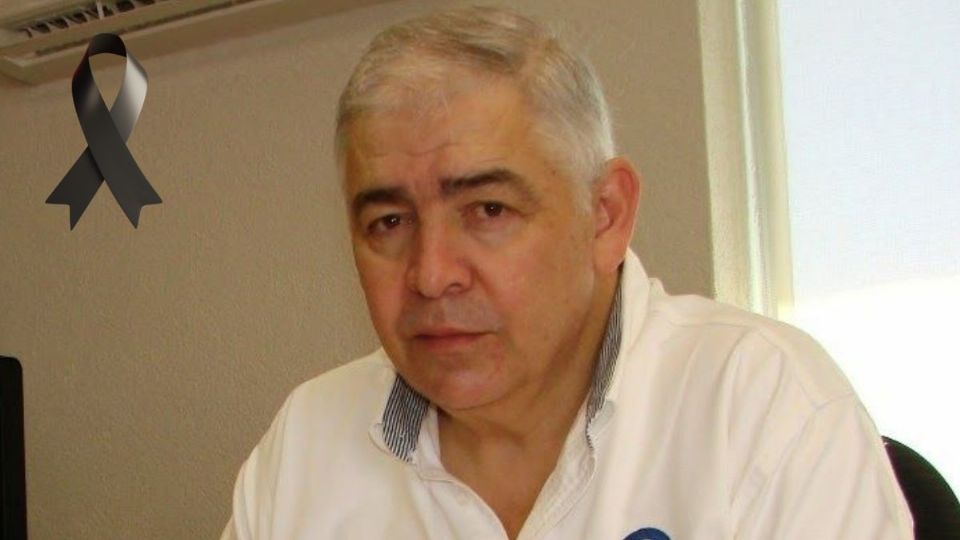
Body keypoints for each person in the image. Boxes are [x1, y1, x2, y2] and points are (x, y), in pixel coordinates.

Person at [222, 6, 912, 539]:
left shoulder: (761, 406)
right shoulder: (307, 444)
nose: (431, 275)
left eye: (488, 210)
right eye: (389, 222)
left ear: (605, 215)